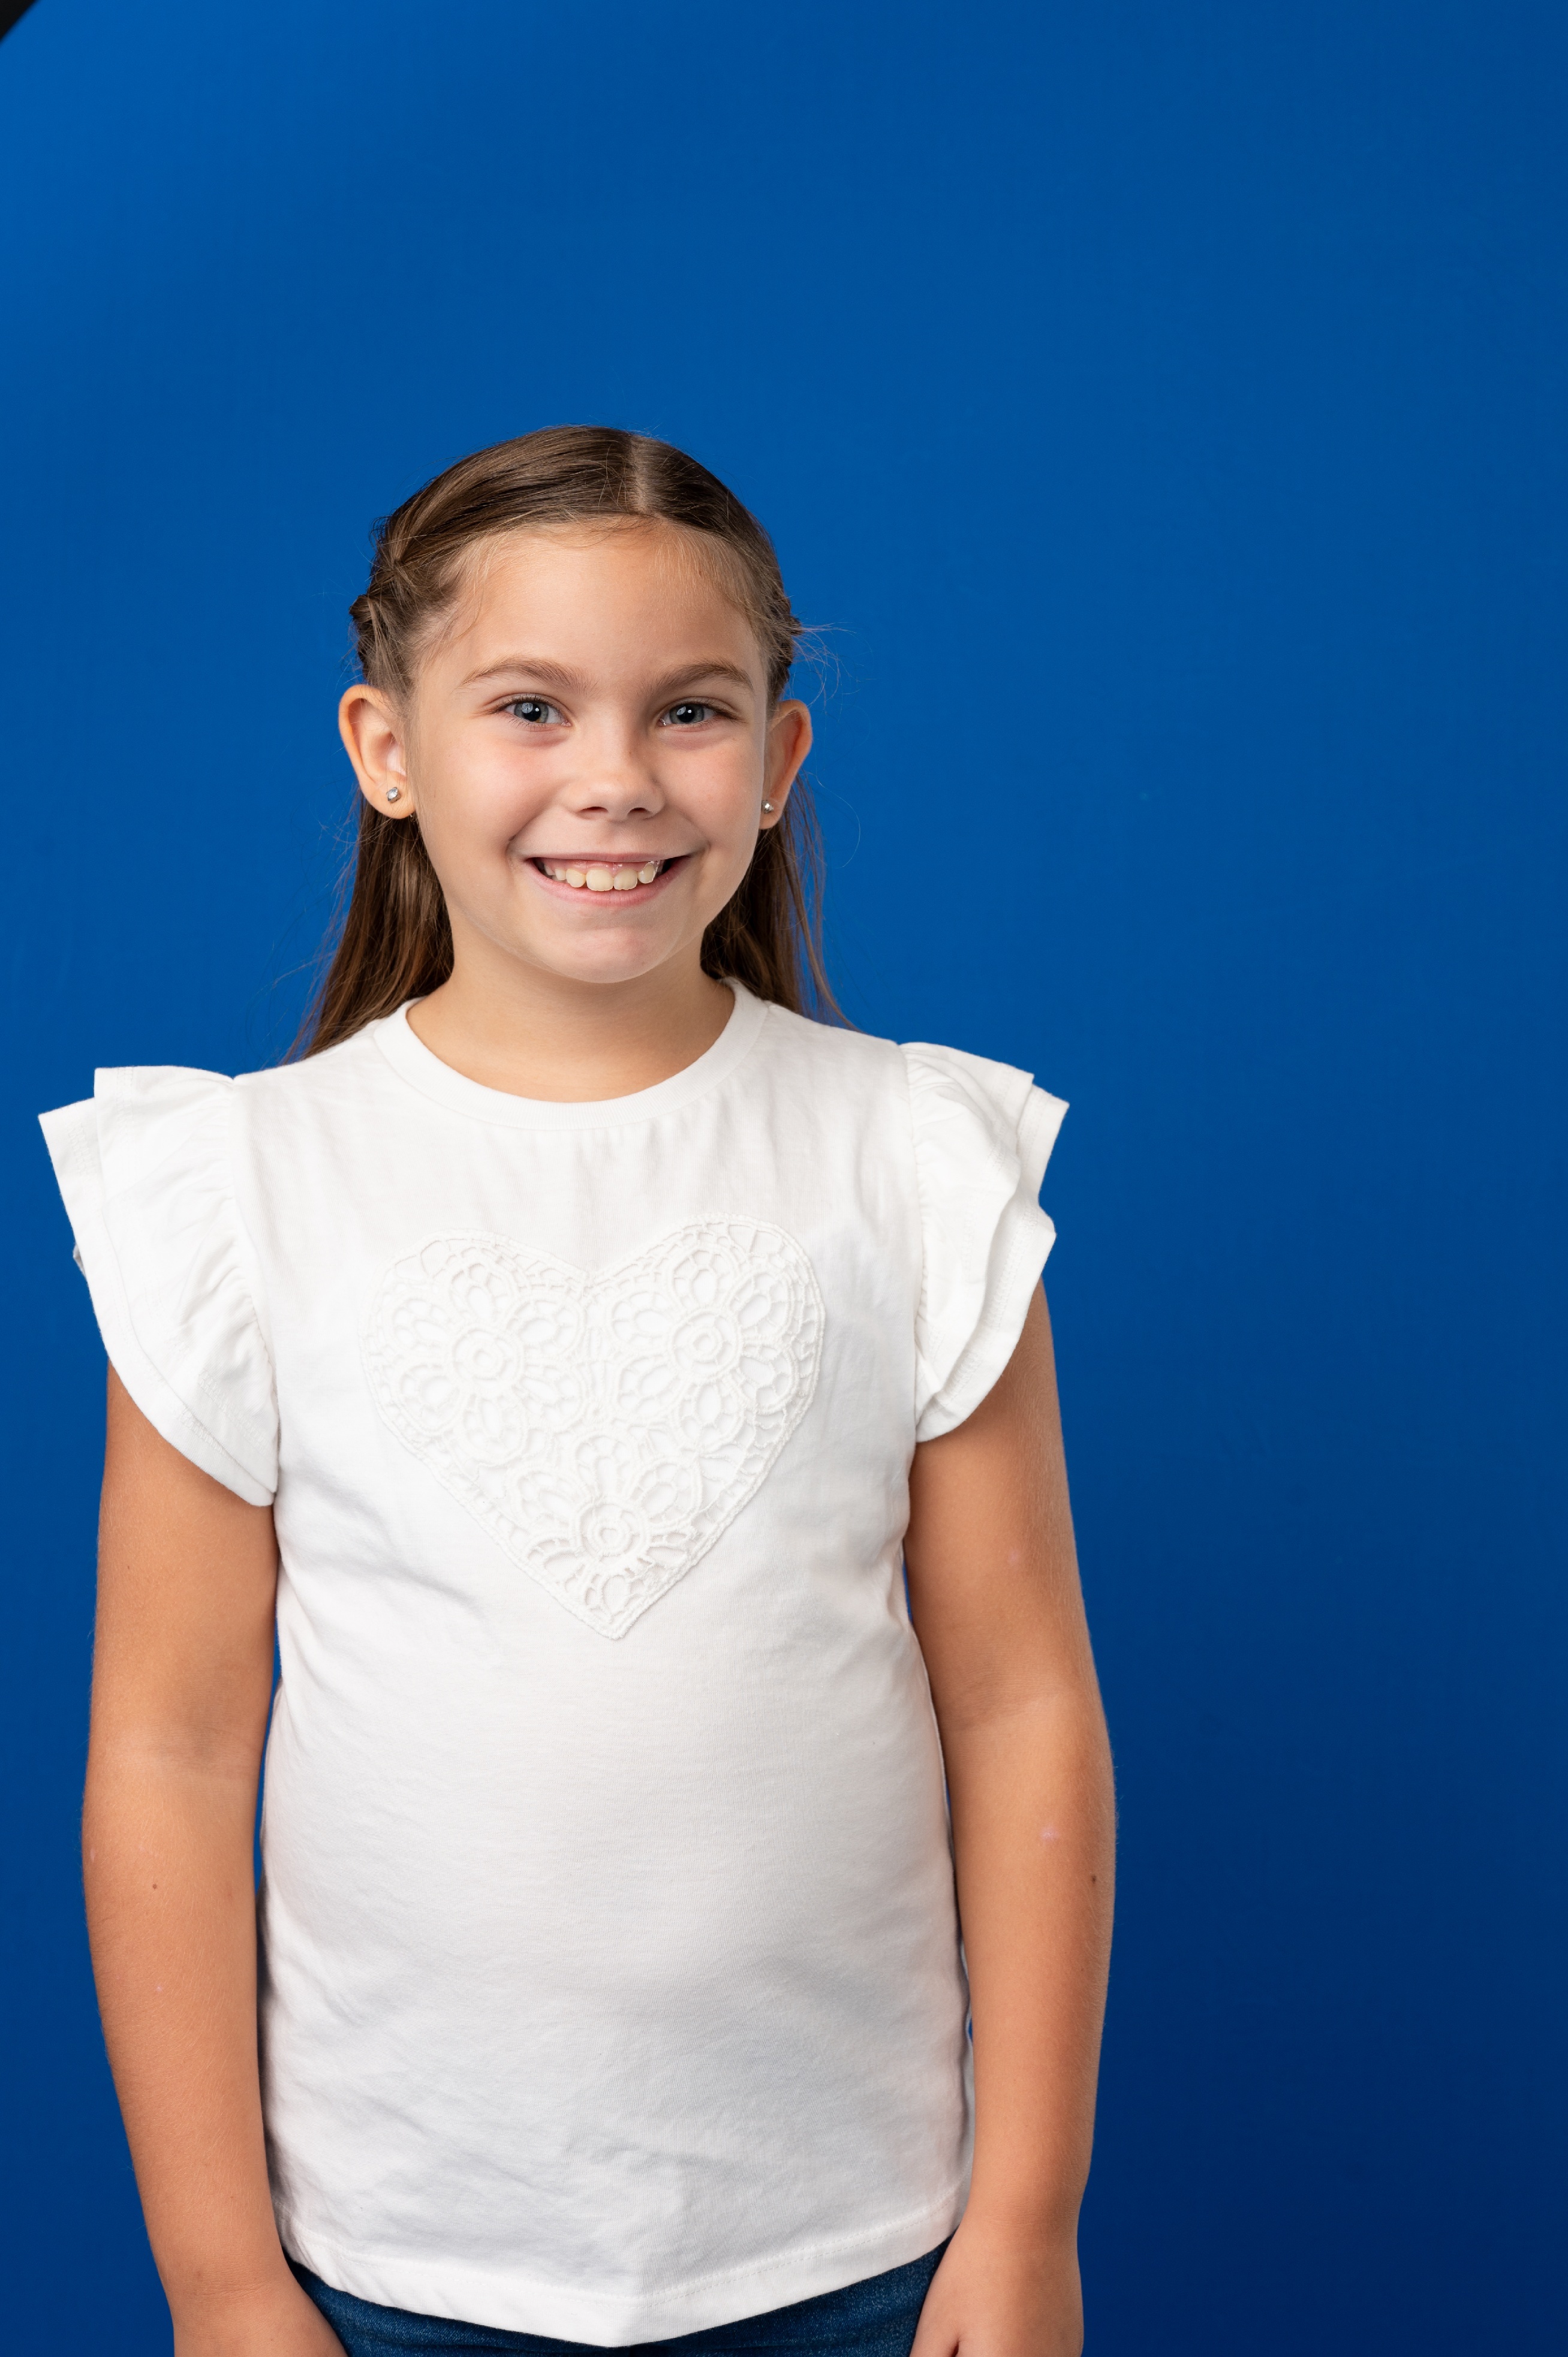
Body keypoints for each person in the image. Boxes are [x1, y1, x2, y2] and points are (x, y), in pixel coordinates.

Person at [40, 428, 1115, 2357]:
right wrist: (219, 2276)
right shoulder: (241, 1193)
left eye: (690, 709)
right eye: (531, 706)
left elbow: (1023, 1704)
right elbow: (172, 1751)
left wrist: (1026, 2220)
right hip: (394, 2263)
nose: (614, 775)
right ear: (386, 747)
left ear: (778, 760)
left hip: (857, 2248)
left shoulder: (913, 1162)